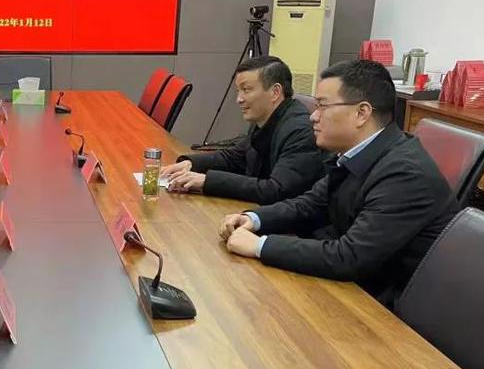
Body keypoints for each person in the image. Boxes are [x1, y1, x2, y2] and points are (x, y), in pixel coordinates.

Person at [220, 59, 458, 307]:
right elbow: (311, 204)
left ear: (361, 113)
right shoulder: (360, 152)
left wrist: (261, 245)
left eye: (322, 106)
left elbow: (350, 256)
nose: (313, 116)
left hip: (387, 308)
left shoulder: (404, 174)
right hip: (357, 288)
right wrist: (254, 219)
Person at [162, 56, 323, 204]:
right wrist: (190, 164)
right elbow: (236, 157)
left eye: (246, 90)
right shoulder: (265, 116)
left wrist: (207, 181)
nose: (239, 99)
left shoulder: (299, 131)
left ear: (275, 92)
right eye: (238, 91)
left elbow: (276, 190)